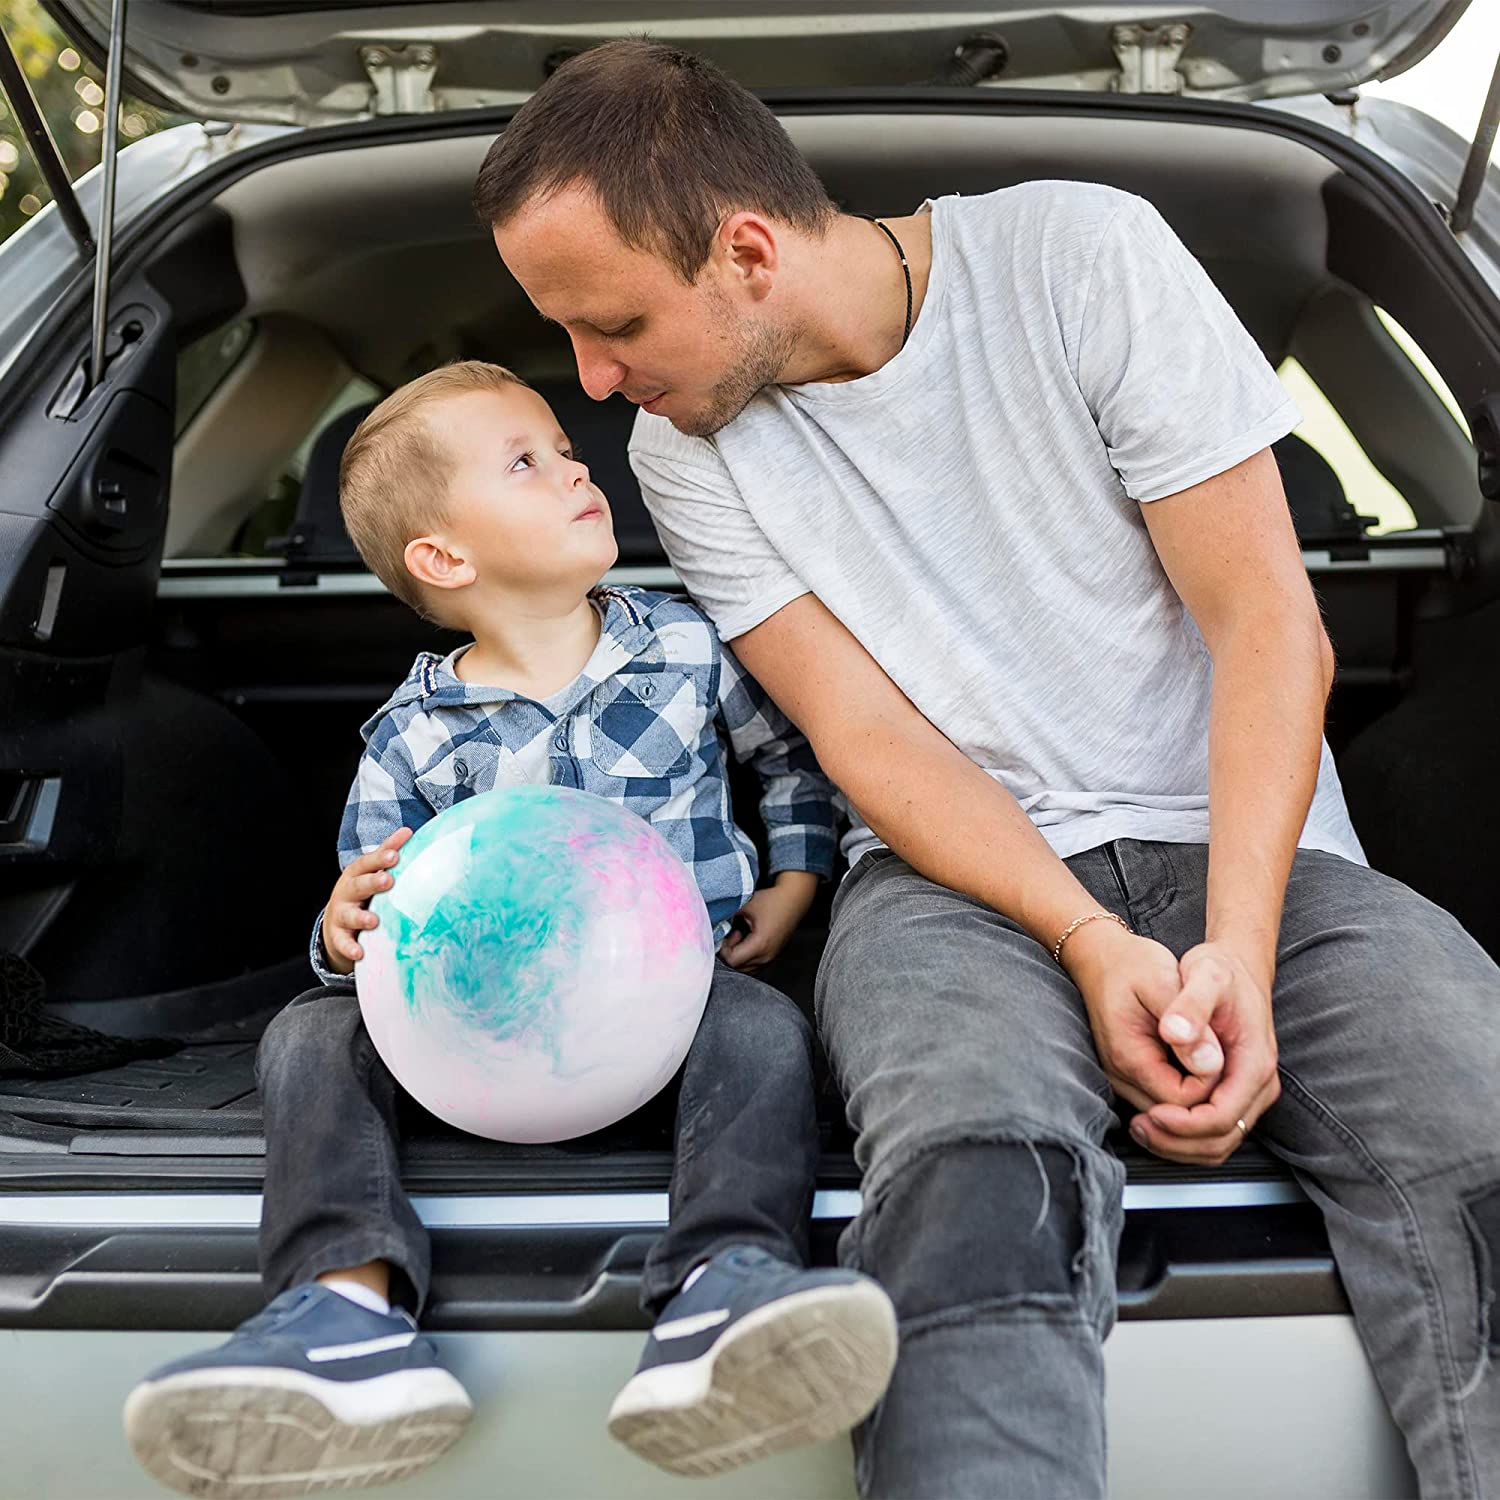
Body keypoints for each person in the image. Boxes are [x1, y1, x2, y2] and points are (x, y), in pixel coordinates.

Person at [474, 39, 1500, 1500]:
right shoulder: (684, 448)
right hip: (948, 888)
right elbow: (866, 738)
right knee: (971, 1190)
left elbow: (1268, 626)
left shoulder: (1082, 258)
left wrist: (1240, 959)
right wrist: (1086, 940)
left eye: (616, 322)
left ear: (748, 251)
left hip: (1259, 849)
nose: (592, 378)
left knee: (1481, 1128)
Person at [122, 361, 898, 1499]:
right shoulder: (410, 734)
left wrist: (795, 875)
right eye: (527, 462)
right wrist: (341, 932)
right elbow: (373, 899)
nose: (576, 467)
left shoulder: (690, 646)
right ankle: (341, 1312)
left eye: (567, 451)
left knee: (763, 1030)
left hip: (671, 1002)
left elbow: (793, 760)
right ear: (444, 560)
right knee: (305, 1035)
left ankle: (723, 1286)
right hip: (481, 1036)